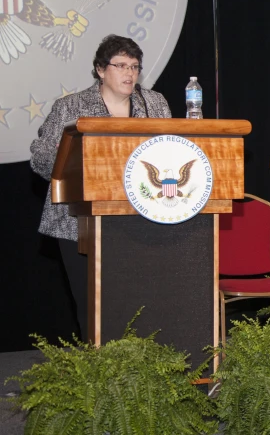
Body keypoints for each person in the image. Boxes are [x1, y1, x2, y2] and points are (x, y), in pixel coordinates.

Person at [30, 34, 172, 341]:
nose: (129, 73)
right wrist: (70, 157)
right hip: (78, 222)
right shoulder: (72, 107)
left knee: (138, 301)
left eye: (134, 66)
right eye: (120, 65)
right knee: (93, 304)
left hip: (142, 218)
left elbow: (171, 152)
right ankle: (99, 373)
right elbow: (40, 159)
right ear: (100, 70)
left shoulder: (155, 103)